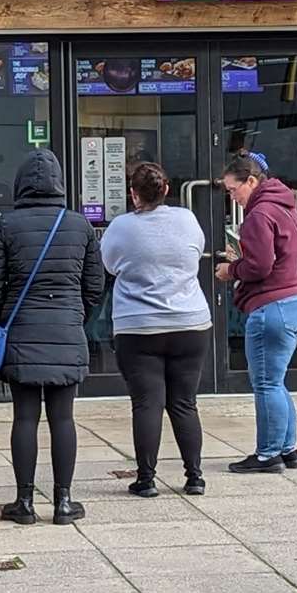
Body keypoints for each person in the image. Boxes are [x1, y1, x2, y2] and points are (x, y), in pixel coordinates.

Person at [0, 150, 104, 525]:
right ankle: (64, 502)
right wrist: (77, 315)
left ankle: (25, 502)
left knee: (25, 418)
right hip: (66, 328)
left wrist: (4, 318)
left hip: (22, 330)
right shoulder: (79, 225)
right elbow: (95, 284)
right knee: (63, 418)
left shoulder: (6, 225)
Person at [99, 161, 209, 498]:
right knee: (184, 403)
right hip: (190, 322)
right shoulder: (187, 220)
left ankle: (146, 479)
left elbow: (110, 265)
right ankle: (194, 476)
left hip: (139, 326)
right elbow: (195, 255)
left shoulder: (120, 227)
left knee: (146, 404)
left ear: (133, 195)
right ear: (166, 190)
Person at [216, 153, 297, 474]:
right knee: (277, 380)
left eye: (233, 190)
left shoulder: (258, 215)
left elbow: (259, 265)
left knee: (267, 383)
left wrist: (231, 269)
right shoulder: (286, 207)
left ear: (251, 182)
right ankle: (288, 448)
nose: (232, 197)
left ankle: (267, 453)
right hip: (296, 299)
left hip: (272, 306)